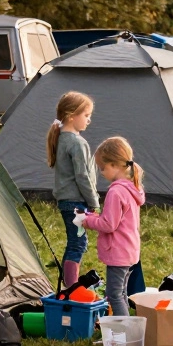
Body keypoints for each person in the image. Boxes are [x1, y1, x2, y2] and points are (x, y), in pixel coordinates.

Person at [77, 137, 144, 317]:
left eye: (103, 168)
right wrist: (94, 216)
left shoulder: (116, 191)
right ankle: (125, 328)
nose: (101, 172)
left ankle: (124, 331)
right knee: (121, 292)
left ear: (114, 165)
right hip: (129, 251)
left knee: (114, 295)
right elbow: (116, 219)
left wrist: (87, 221)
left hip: (118, 253)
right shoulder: (132, 188)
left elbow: (109, 224)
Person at [46, 91, 98, 288]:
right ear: (71, 115)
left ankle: (70, 285)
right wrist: (94, 202)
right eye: (86, 115)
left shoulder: (61, 138)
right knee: (78, 244)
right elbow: (82, 176)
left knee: (74, 242)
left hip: (66, 202)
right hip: (76, 204)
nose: (89, 120)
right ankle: (72, 288)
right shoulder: (76, 143)